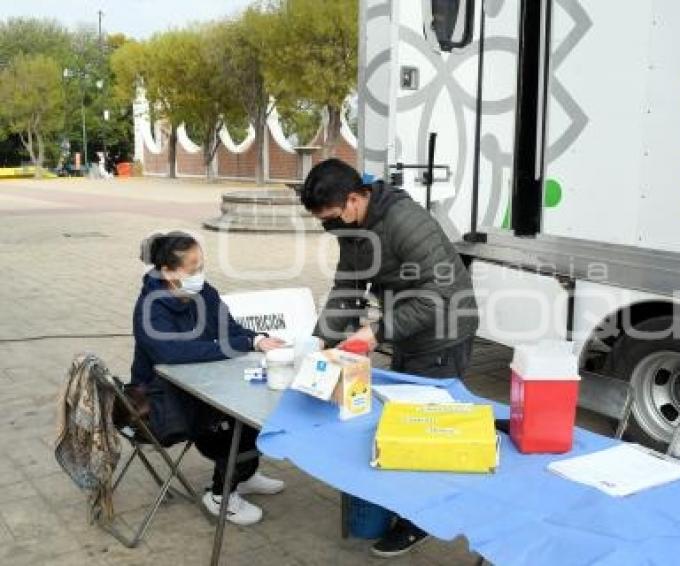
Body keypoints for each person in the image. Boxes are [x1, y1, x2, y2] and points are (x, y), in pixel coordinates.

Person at [300, 159, 479, 557]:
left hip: (445, 330)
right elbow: (347, 287)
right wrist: (320, 342)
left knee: (428, 426)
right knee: (403, 416)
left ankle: (423, 521)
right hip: (410, 329)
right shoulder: (350, 225)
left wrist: (377, 331)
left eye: (332, 217)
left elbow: (441, 292)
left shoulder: (404, 221)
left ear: (353, 198)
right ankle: (408, 503)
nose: (331, 226)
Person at [131, 231, 286, 525]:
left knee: (261, 398)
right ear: (168, 271)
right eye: (193, 268)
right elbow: (172, 353)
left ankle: (245, 474)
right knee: (233, 421)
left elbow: (230, 328)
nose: (200, 274)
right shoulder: (150, 307)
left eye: (201, 266)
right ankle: (220, 496)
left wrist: (258, 340)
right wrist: (238, 346)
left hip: (205, 382)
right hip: (163, 397)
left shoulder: (205, 293)